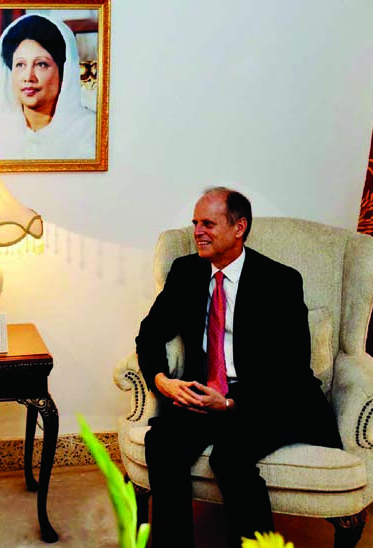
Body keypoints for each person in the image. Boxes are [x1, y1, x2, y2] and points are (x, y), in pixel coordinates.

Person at [135, 188, 342, 548]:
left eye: (208, 224)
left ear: (239, 228)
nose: (197, 231)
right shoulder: (185, 272)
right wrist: (162, 381)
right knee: (163, 442)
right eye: (195, 223)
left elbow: (292, 369)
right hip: (206, 390)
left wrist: (231, 405)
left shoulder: (280, 282)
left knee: (230, 457)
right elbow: (149, 335)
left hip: (268, 396)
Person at [0, 13, 96, 160]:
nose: (28, 77)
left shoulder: (90, 131)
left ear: (64, 70)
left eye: (41, 64)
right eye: (20, 65)